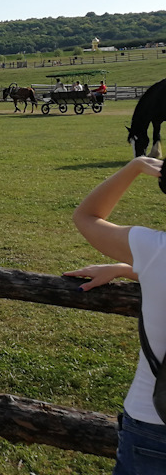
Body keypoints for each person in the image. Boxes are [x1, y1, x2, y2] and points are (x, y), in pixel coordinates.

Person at [67, 156, 166, 473]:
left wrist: (135, 166)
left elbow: (86, 216)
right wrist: (133, 269)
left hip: (153, 423)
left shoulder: (154, 251)